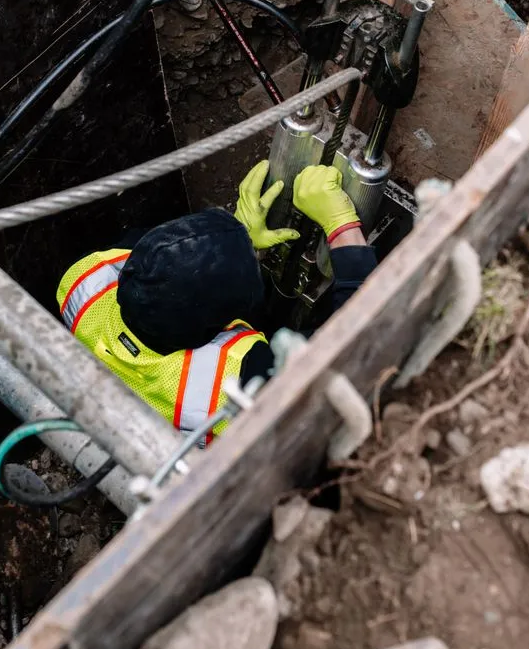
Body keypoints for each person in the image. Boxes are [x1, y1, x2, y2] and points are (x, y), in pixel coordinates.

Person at [56, 161, 376, 442]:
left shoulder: (83, 278)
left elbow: (157, 248)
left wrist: (235, 234)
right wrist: (342, 227)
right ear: (216, 328)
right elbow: (359, 344)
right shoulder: (234, 381)